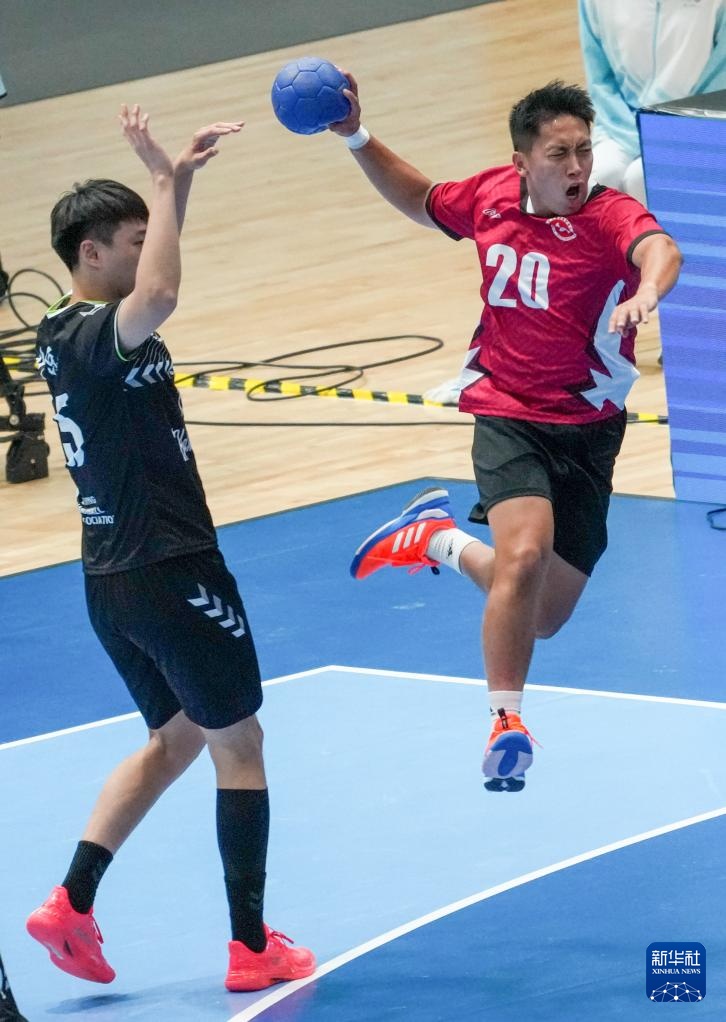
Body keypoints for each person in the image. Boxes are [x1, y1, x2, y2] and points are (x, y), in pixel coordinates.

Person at [25, 105, 315, 991]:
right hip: (171, 570)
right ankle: (251, 947)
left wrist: (175, 183)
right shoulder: (98, 332)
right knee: (240, 744)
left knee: (176, 735)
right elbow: (159, 296)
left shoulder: (61, 330)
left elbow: (148, 290)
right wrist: (162, 180)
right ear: (90, 254)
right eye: (133, 241)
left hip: (110, 579)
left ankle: (70, 904)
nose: (147, 252)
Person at [331, 79, 682, 791]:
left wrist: (648, 290)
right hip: (507, 410)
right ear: (523, 162)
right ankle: (505, 723)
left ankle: (435, 539)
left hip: (589, 432)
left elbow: (659, 248)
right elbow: (421, 199)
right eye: (559, 154)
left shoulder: (608, 215)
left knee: (541, 613)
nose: (577, 167)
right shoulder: (490, 198)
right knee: (524, 556)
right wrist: (356, 137)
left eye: (584, 151)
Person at [579, 0, 726, 205]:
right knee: (598, 177)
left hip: (696, 123)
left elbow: (718, 83)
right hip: (619, 124)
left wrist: (656, 132)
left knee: (641, 177)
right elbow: (600, 81)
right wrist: (637, 133)